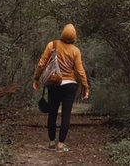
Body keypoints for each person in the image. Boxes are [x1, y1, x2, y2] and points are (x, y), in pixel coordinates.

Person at [33, 23, 90, 152]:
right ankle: (61, 145)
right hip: (70, 86)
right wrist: (86, 87)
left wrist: (36, 78)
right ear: (74, 37)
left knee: (52, 113)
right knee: (66, 115)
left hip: (54, 84)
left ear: (62, 33)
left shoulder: (52, 45)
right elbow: (80, 71)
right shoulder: (75, 51)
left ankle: (52, 143)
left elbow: (41, 64)